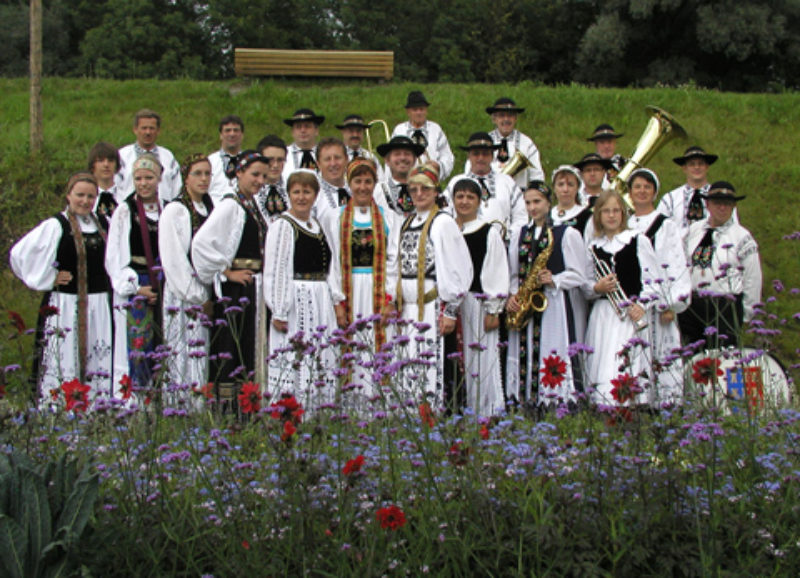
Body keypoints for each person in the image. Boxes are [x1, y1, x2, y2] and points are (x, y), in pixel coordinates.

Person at [10, 173, 113, 407]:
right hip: (65, 306)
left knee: (97, 359)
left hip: (99, 306)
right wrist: (48, 277)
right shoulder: (56, 225)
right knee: (64, 359)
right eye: (80, 195)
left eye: (90, 196)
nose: (85, 201)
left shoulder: (103, 223)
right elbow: (19, 254)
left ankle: (97, 411)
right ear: (68, 196)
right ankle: (58, 411)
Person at [384, 163, 472, 402]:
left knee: (434, 364)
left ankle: (436, 415)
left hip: (432, 309)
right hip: (407, 310)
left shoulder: (443, 223)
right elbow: (394, 264)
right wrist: (391, 298)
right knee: (408, 363)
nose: (419, 194)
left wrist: (451, 310)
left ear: (436, 191)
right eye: (413, 190)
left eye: (425, 188)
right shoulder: (404, 223)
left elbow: (457, 267)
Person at [192, 151, 270, 410]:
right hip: (234, 292)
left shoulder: (251, 205)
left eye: (263, 176)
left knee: (247, 345)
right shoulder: (230, 205)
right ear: (239, 174)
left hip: (250, 289)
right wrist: (226, 271)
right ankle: (227, 410)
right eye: (254, 174)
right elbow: (201, 244)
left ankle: (245, 406)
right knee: (231, 346)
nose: (259, 180)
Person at [264, 170, 345, 408]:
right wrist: (278, 309)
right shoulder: (283, 225)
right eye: (296, 192)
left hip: (319, 296)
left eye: (306, 192)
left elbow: (330, 265)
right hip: (296, 299)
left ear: (315, 195)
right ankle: (293, 410)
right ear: (288, 194)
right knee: (297, 355)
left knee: (320, 355)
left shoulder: (316, 225)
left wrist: (335, 298)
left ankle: (319, 408)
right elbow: (277, 268)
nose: (301, 197)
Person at [506, 181, 588, 408]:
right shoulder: (519, 234)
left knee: (551, 348)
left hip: (553, 304)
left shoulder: (566, 233)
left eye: (537, 202)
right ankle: (524, 400)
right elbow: (514, 272)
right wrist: (513, 295)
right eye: (528, 203)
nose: (533, 208)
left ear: (548, 202)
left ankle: (554, 401)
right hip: (526, 303)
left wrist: (556, 279)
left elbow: (579, 274)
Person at [584, 190, 659, 406]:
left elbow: (653, 279)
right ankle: (603, 407)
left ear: (623, 214)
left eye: (616, 210)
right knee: (604, 360)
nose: (611, 215)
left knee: (626, 361)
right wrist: (597, 287)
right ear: (598, 215)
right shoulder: (593, 246)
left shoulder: (637, 240)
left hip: (629, 314)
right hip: (603, 314)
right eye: (606, 211)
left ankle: (629, 408)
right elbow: (585, 285)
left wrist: (642, 305)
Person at [627, 168, 691, 405]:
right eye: (637, 187)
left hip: (658, 304)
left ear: (654, 192)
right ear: (630, 192)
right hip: (633, 303)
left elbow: (676, 263)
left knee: (662, 356)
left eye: (647, 187)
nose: (642, 191)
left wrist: (671, 302)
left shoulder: (666, 226)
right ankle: (639, 401)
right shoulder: (625, 223)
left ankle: (666, 405)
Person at [158, 154, 214, 408]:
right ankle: (181, 406)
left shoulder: (209, 207)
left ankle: (201, 404)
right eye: (198, 174)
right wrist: (197, 296)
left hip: (206, 289)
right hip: (183, 293)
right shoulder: (176, 210)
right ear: (186, 178)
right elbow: (174, 259)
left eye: (207, 174)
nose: (203, 179)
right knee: (183, 350)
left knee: (203, 352)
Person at [105, 154, 164, 395]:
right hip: (137, 283)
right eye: (138, 178)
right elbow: (114, 255)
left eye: (149, 177)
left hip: (163, 283)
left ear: (159, 179)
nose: (143, 183)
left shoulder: (168, 208)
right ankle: (137, 398)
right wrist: (134, 287)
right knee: (138, 346)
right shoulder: (125, 211)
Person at [449, 177, 509, 415]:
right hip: (453, 306)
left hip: (477, 303)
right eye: (460, 196)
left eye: (470, 197)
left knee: (479, 358)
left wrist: (494, 307)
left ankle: (486, 411)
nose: (464, 202)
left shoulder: (487, 232)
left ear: (479, 201)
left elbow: (496, 269)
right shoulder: (448, 229)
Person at [336, 158, 392, 406]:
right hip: (349, 290)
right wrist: (337, 299)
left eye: (368, 181)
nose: (362, 187)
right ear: (349, 184)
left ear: (374, 184)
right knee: (352, 344)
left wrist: (390, 297)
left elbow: (393, 259)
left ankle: (376, 400)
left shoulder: (386, 216)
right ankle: (351, 401)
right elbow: (333, 262)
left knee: (376, 341)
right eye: (357, 181)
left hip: (376, 290)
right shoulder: (337, 217)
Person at [679, 181, 761, 349]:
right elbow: (681, 263)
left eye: (727, 204)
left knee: (723, 359)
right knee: (693, 358)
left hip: (724, 307)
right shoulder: (694, 230)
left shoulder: (742, 237)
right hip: (693, 305)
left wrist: (745, 314)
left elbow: (752, 276)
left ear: (733, 207)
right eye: (717, 203)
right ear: (708, 204)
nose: (722, 208)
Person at [444, 132, 527, 240]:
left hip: (501, 244)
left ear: (492, 156)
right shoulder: (456, 182)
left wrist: (509, 236)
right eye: (476, 153)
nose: (480, 158)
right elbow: (444, 213)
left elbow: (521, 216)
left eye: (485, 153)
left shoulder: (507, 182)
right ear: (469, 156)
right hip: (464, 243)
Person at [468, 97, 545, 188]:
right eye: (501, 115)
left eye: (510, 115)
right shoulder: (484, 141)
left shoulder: (527, 143)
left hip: (519, 193)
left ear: (515, 118)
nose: (506, 119)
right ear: (494, 119)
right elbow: (469, 169)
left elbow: (537, 175)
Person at [657, 146, 724, 240]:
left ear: (707, 167)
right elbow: (660, 231)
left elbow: (732, 228)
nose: (697, 167)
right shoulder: (670, 199)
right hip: (679, 251)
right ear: (684, 168)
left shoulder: (721, 197)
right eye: (692, 164)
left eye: (700, 164)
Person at [115, 109, 182, 203]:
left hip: (163, 210)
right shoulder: (122, 156)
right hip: (131, 211)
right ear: (135, 130)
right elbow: (115, 187)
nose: (148, 132)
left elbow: (177, 187)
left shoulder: (168, 156)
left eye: (152, 128)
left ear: (158, 130)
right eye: (144, 128)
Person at [391, 91, 454, 180]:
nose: (419, 113)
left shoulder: (435, 129)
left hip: (430, 181)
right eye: (415, 110)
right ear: (408, 112)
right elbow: (392, 157)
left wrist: (438, 166)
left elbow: (447, 155)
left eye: (421, 109)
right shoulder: (399, 130)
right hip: (406, 180)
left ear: (426, 110)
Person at [374, 135, 425, 229]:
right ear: (387, 160)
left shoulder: (425, 190)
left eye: (407, 154)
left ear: (414, 160)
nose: (402, 158)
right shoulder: (376, 191)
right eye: (397, 154)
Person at [207, 114, 245, 202]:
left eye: (236, 130)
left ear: (242, 135)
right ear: (221, 135)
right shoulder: (210, 162)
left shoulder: (250, 161)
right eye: (228, 130)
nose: (232, 134)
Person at [314, 137, 350, 225]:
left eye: (337, 158)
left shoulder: (357, 189)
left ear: (346, 160)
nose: (333, 164)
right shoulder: (314, 196)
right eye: (327, 159)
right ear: (318, 164)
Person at [254, 134, 290, 223]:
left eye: (280, 160)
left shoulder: (293, 188)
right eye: (270, 160)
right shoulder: (250, 191)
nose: (275, 165)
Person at [282, 108, 324, 179]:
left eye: (307, 126)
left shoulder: (324, 153)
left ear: (316, 130)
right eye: (298, 127)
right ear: (292, 132)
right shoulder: (284, 154)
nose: (303, 130)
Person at [549, 164, 591, 235]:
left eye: (570, 184)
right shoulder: (547, 215)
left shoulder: (586, 216)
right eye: (561, 184)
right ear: (554, 188)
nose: (565, 189)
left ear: (577, 188)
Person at [88, 142, 121, 218]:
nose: (106, 164)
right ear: (93, 165)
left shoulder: (126, 196)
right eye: (101, 160)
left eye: (111, 160)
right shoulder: (84, 198)